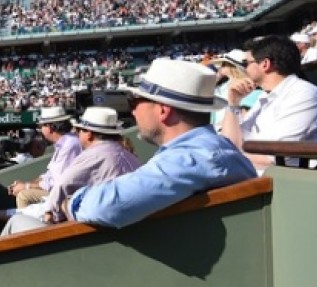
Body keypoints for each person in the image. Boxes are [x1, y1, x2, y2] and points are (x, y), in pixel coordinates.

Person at [62, 59, 257, 228]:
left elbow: (108, 206)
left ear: (163, 111)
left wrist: (71, 202)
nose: (133, 112)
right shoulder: (208, 148)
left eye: (135, 102)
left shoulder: (194, 156)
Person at [0, 107, 141, 235]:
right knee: (33, 208)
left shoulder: (94, 154)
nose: (77, 133)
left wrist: (50, 213)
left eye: (81, 130)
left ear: (89, 134)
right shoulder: (126, 155)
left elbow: (61, 185)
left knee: (18, 220)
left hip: (90, 227)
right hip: (106, 221)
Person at [219, 35, 317, 171]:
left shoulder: (304, 94)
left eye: (246, 63)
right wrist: (233, 103)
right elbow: (230, 142)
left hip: (293, 182)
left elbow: (274, 158)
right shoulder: (265, 96)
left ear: (265, 64)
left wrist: (228, 157)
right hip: (256, 175)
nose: (244, 69)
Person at [7, 107, 81, 209]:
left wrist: (26, 186)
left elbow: (57, 182)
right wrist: (26, 184)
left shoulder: (70, 144)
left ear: (50, 127)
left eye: (42, 126)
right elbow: (49, 175)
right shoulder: (64, 143)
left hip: (70, 197)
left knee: (24, 196)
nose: (41, 130)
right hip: (63, 192)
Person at [209, 49, 263, 131]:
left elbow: (244, 118)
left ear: (232, 66)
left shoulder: (247, 88)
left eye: (224, 64)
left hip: (225, 130)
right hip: (218, 129)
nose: (220, 67)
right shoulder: (223, 84)